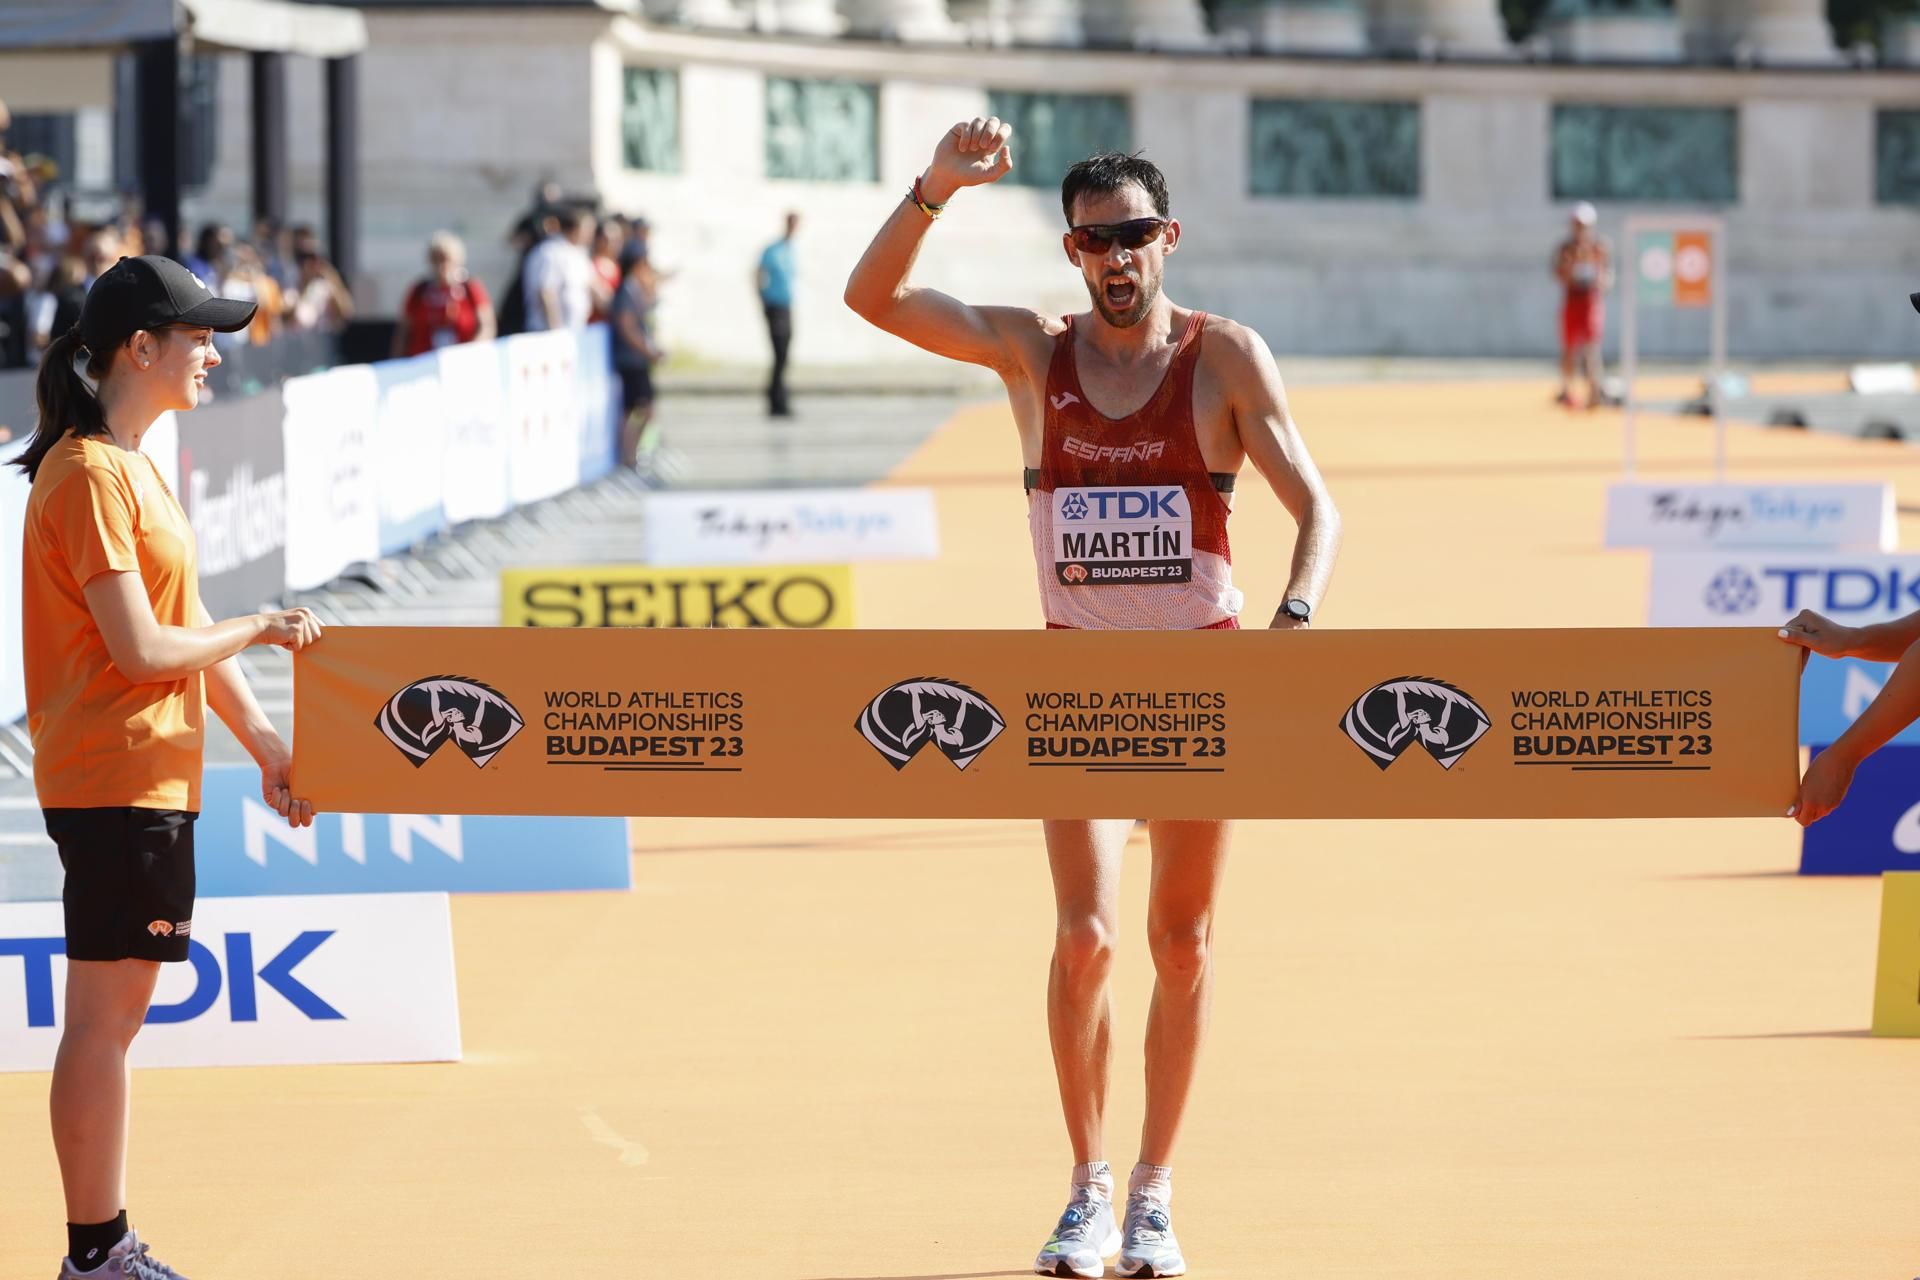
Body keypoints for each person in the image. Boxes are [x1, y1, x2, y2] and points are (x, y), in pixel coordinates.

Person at [845, 120, 1340, 1278]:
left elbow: (1317, 509)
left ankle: (1158, 1192)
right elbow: (875, 299)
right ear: (1072, 252)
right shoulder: (1034, 350)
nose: (1115, 258)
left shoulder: (1226, 358)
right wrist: (936, 188)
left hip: (1203, 687)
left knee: (1183, 939)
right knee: (1085, 941)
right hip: (1073, 688)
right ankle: (1088, 1182)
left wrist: (1295, 620)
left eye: (1132, 235)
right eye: (1092, 240)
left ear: (1168, 237)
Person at [10, 254, 323, 1279]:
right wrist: (260, 626)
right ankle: (97, 1254)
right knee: (105, 1021)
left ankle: (101, 1249)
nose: (215, 358)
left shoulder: (125, 466)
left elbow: (177, 628)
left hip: (139, 778)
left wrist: (266, 744)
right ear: (139, 350)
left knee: (112, 1017)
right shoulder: (92, 472)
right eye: (199, 339)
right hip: (114, 777)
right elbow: (147, 648)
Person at [392, 231, 495, 358]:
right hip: (423, 360)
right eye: (436, 259)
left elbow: (486, 325)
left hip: (461, 360)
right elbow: (404, 331)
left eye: (446, 259)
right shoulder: (420, 291)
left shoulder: (470, 288)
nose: (442, 265)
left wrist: (474, 353)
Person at [1553, 202, 1614, 409]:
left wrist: (1601, 280)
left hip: (1591, 300)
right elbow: (1558, 273)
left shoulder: (1599, 247)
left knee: (1591, 346)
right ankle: (1567, 390)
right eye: (1577, 225)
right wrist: (1570, 268)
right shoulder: (1566, 248)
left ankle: (1595, 389)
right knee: (1569, 347)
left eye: (1583, 225)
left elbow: (1608, 275)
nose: (1580, 229)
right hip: (1572, 299)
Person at [610, 242, 664, 469]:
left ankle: (633, 454)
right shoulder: (626, 290)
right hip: (632, 359)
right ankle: (629, 456)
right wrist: (646, 350)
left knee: (638, 409)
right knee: (639, 409)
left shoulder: (635, 287)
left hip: (637, 358)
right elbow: (627, 326)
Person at [522, 207, 600, 333]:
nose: (591, 234)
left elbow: (592, 286)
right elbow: (546, 292)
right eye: (588, 229)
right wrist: (556, 331)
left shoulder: (579, 254)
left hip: (575, 330)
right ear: (575, 229)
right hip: (548, 333)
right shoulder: (550, 253)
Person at [758, 211, 799, 418]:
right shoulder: (773, 250)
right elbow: (759, 274)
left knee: (784, 355)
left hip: (786, 305)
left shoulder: (791, 249)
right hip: (775, 306)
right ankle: (776, 401)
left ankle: (780, 398)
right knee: (779, 354)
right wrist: (763, 301)